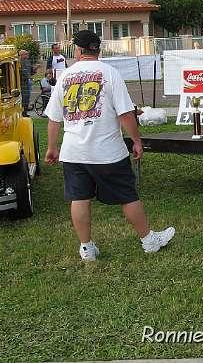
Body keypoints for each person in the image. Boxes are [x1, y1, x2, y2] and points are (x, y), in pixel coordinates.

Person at [44, 29, 175, 262]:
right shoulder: (110, 73)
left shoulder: (64, 76)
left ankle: (86, 248)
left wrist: (52, 147)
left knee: (79, 198)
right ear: (98, 50)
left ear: (78, 50)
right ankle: (148, 240)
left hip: (73, 151)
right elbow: (126, 114)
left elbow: (54, 118)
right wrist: (136, 141)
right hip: (108, 152)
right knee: (127, 195)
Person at [18, 49, 32, 116]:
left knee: (27, 96)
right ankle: (23, 112)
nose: (27, 55)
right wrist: (28, 76)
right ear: (21, 55)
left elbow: (31, 71)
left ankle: (25, 111)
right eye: (26, 54)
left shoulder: (28, 62)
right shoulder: (19, 63)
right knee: (24, 97)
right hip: (22, 83)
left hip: (28, 82)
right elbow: (22, 72)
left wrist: (36, 68)